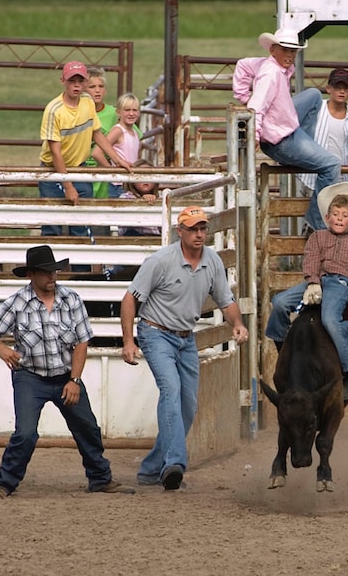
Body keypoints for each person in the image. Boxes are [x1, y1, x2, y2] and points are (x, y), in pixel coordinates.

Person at [0, 246, 131, 500]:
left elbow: (82, 342)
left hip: (64, 375)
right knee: (26, 433)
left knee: (88, 426)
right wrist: (2, 349)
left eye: (54, 271)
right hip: (30, 376)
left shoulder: (71, 299)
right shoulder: (17, 302)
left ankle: (100, 478)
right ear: (32, 274)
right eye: (46, 272)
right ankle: (3, 483)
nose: (52, 276)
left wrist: (74, 379)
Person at [119, 206, 248, 490]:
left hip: (185, 336)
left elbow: (226, 300)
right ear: (181, 232)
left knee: (188, 405)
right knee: (172, 390)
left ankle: (151, 469)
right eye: (193, 229)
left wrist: (236, 323)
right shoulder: (161, 261)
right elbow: (130, 299)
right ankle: (174, 463)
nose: (199, 234)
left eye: (203, 228)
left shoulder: (212, 261)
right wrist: (129, 340)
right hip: (155, 332)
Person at [264, 182, 348, 400]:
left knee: (330, 319)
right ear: (327, 217)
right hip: (316, 280)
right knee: (280, 301)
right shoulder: (318, 237)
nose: (340, 218)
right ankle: (283, 346)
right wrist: (312, 282)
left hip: (340, 283)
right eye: (336, 214)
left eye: (345, 215)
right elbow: (310, 260)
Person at [247, 28, 342, 231]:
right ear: (273, 49)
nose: (290, 55)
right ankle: (317, 224)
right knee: (332, 165)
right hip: (281, 139)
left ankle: (304, 149)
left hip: (284, 126)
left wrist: (240, 92)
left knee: (314, 95)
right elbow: (256, 106)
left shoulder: (273, 68)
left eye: (293, 51)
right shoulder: (271, 74)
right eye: (286, 50)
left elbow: (242, 67)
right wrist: (254, 134)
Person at [39, 60, 134, 236]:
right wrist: (68, 185)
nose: (76, 85)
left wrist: (118, 160)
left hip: (79, 168)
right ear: (63, 81)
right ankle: (52, 263)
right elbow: (55, 152)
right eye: (71, 81)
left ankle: (80, 263)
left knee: (82, 226)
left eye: (80, 81)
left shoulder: (86, 102)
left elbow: (97, 133)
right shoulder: (54, 110)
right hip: (54, 171)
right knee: (52, 227)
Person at [294, 68, 348, 197]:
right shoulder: (315, 110)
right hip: (312, 180)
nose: (341, 91)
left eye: (345, 88)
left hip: (344, 181)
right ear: (329, 89)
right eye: (337, 87)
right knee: (315, 214)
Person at [94, 92, 143, 200]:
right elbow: (97, 153)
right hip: (118, 184)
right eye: (127, 110)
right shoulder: (118, 130)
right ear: (118, 112)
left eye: (134, 110)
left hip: (131, 183)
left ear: (139, 113)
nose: (131, 113)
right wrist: (112, 172)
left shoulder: (135, 134)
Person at [84, 66, 119, 200]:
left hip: (106, 177)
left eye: (101, 86)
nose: (97, 90)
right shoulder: (77, 112)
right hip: (81, 171)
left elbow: (131, 137)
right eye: (92, 87)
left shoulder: (114, 113)